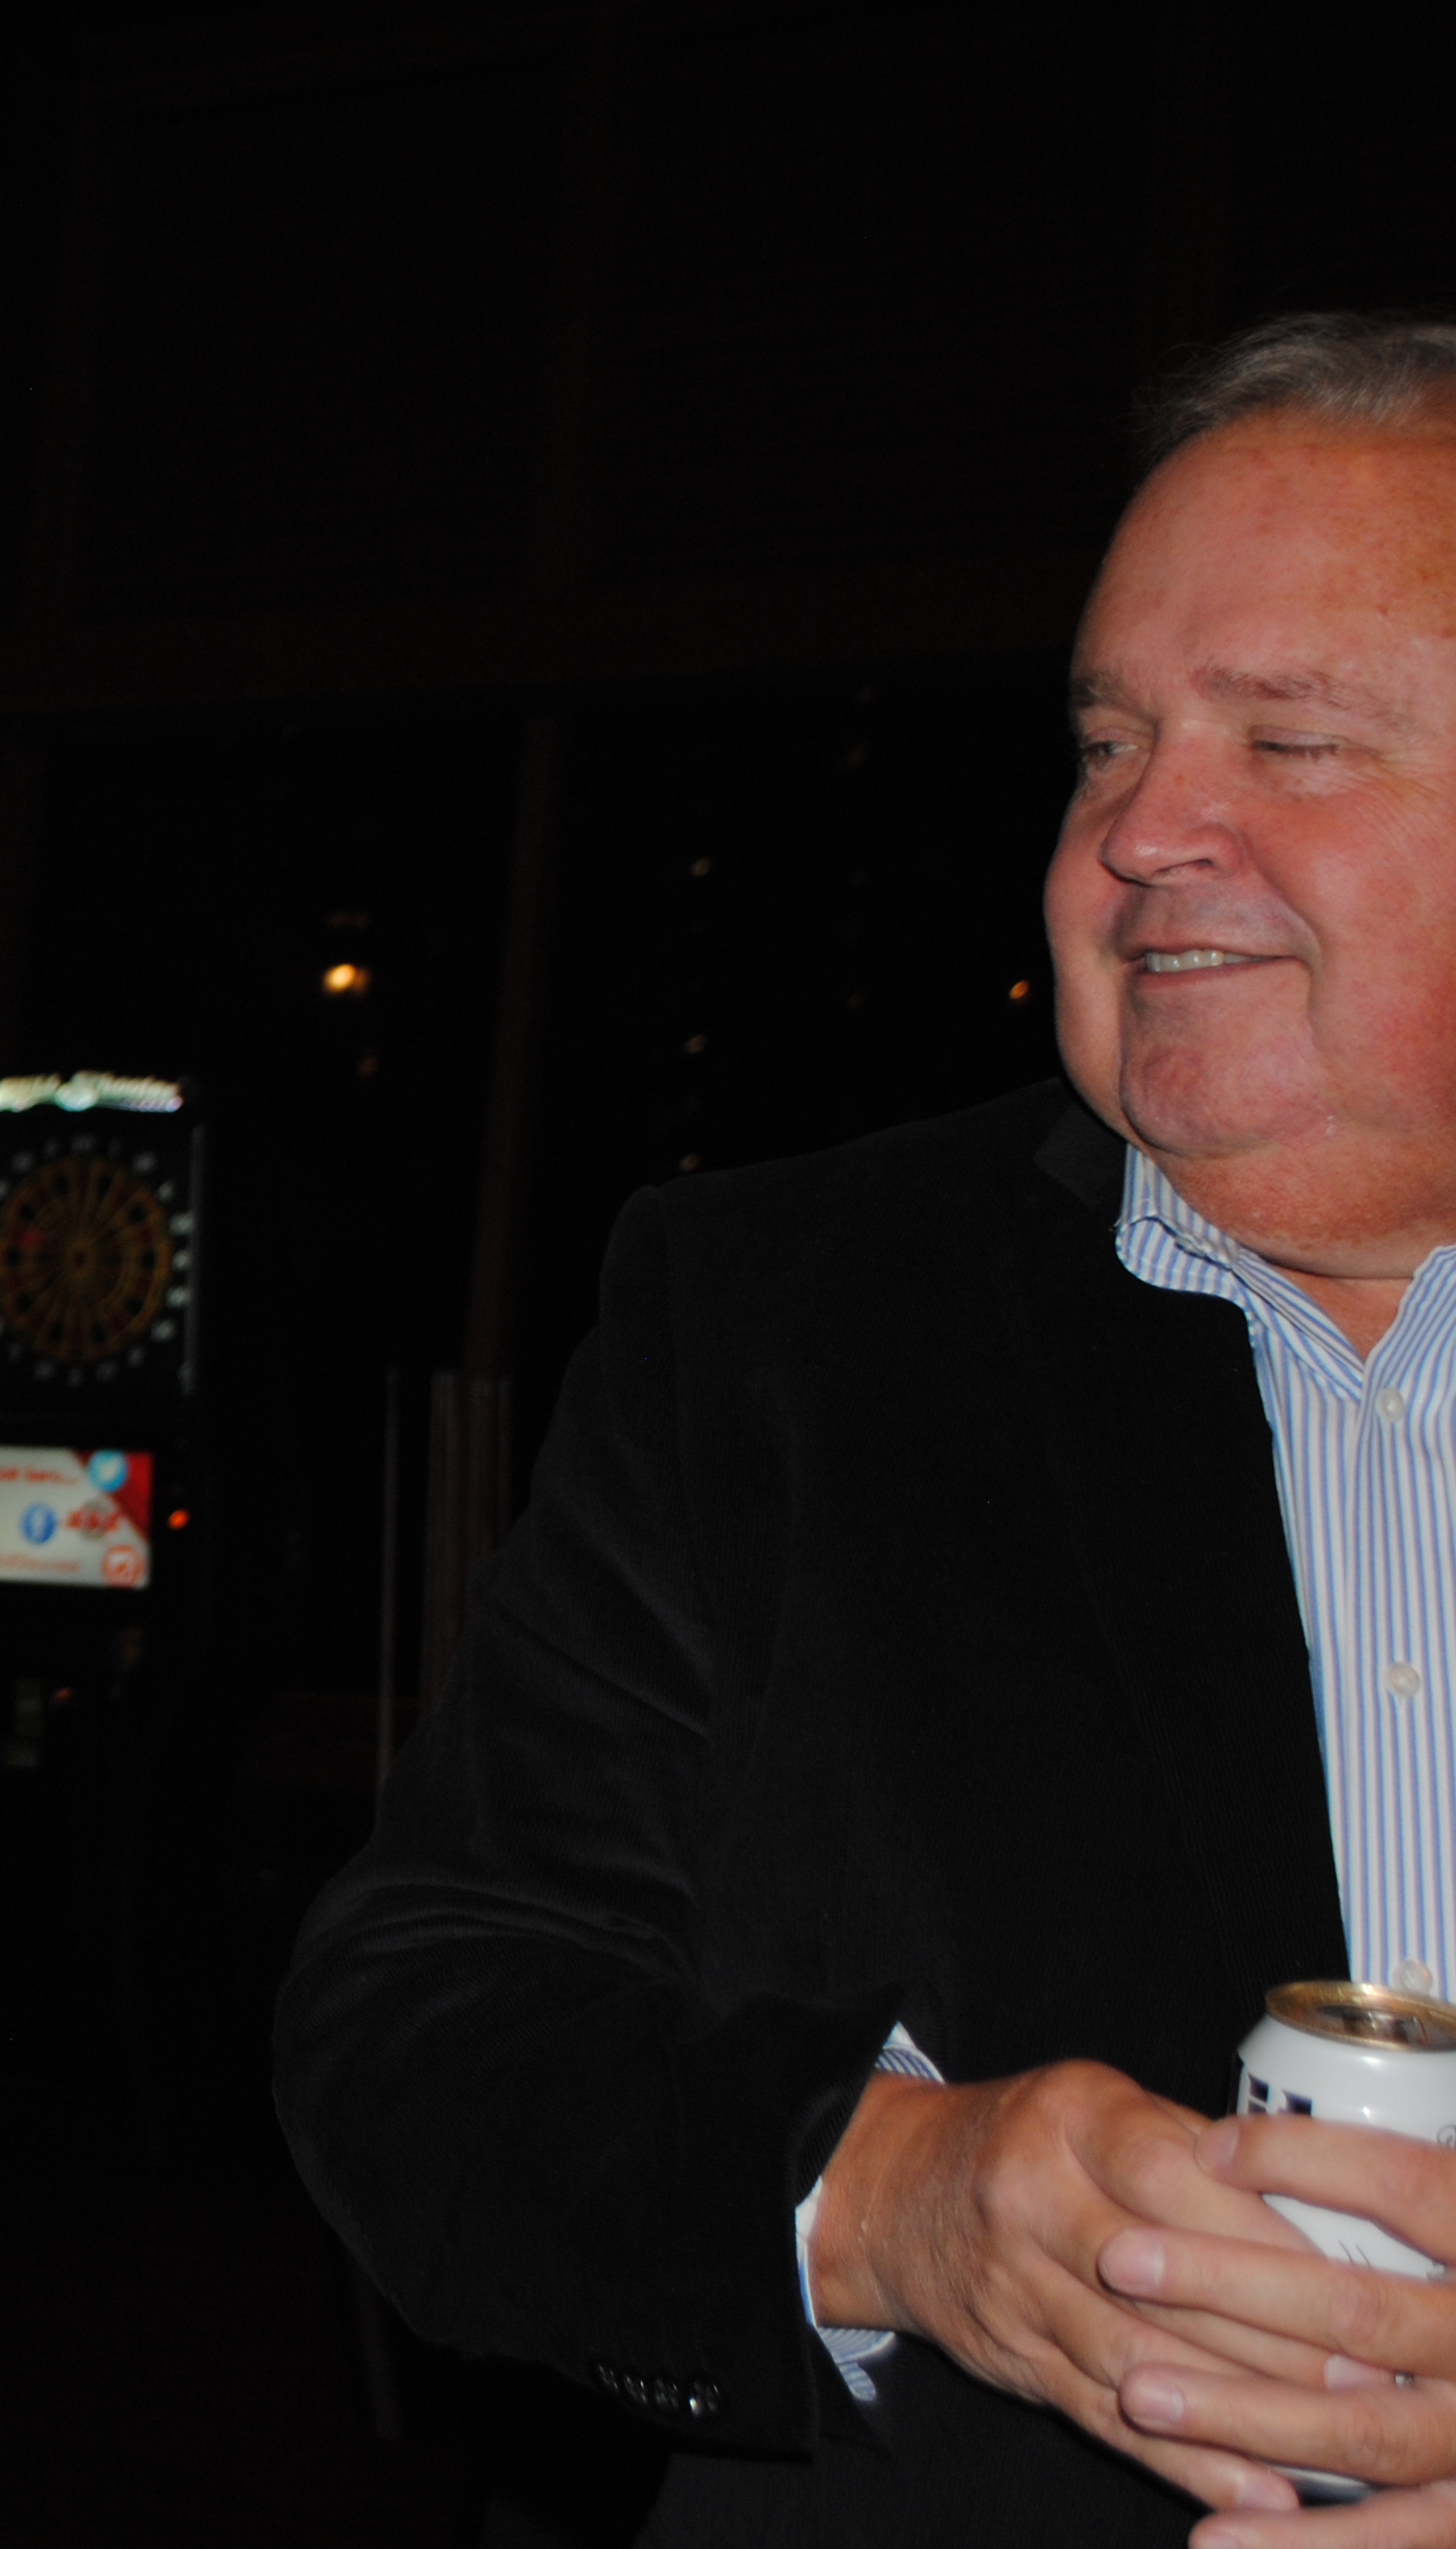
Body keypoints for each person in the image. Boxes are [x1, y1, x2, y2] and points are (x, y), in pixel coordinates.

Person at [277, 311, 1456, 2544]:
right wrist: (890, 2194)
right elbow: (419, 2036)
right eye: (1106, 743)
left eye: (1286, 741)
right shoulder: (787, 1324)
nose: (1138, 833)